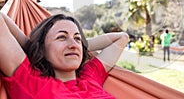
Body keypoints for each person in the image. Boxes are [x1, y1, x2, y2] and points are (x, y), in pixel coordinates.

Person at [0, 13, 129, 98]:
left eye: (77, 38)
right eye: (62, 37)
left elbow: (122, 38)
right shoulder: (32, 82)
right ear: (42, 48)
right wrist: (34, 48)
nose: (73, 44)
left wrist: (80, 47)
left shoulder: (89, 78)